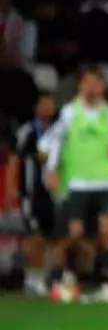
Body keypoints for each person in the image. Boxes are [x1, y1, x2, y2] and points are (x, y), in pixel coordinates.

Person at [40, 67, 108, 303]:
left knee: (106, 232)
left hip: (104, 181)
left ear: (101, 87)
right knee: (73, 232)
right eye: (87, 84)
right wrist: (51, 169)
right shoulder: (70, 113)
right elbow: (56, 142)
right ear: (81, 87)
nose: (91, 89)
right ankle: (57, 277)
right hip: (76, 182)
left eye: (95, 84)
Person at [4, 94, 58, 295]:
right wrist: (11, 189)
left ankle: (43, 275)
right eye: (43, 103)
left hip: (52, 194)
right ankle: (32, 279)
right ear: (36, 107)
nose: (48, 107)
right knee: (33, 235)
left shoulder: (56, 131)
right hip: (31, 194)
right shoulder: (27, 131)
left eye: (51, 103)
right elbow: (14, 160)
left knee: (50, 235)